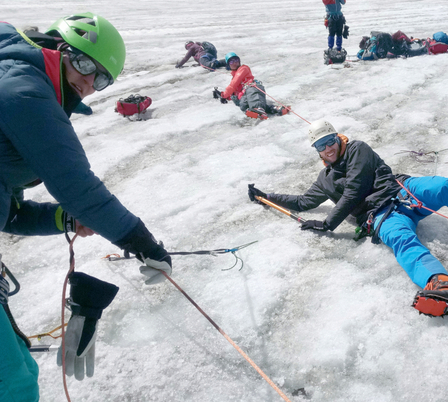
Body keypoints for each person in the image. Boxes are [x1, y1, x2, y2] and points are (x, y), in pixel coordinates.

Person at [1, 13, 173, 401]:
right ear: (59, 49)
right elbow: (76, 185)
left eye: (101, 80)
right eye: (83, 65)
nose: (87, 82)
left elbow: (10, 215)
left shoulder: (25, 83)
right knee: (14, 383)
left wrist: (64, 218)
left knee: (21, 370)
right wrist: (145, 244)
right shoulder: (24, 90)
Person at [247, 120, 448, 317]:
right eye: (320, 145)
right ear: (315, 150)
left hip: (403, 189)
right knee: (400, 239)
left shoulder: (357, 149)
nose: (327, 148)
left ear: (337, 138)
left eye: (330, 140)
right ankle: (440, 283)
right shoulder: (324, 179)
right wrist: (266, 195)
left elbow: (354, 189)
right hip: (379, 214)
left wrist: (330, 222)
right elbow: (303, 202)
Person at [214, 52, 290, 120]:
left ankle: (258, 109)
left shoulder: (243, 68)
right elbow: (234, 93)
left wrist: (224, 95)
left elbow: (233, 84)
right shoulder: (234, 77)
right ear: (228, 65)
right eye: (231, 61)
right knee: (244, 104)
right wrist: (223, 96)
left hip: (253, 88)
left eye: (236, 60)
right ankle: (275, 109)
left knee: (253, 96)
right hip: (246, 95)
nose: (234, 63)